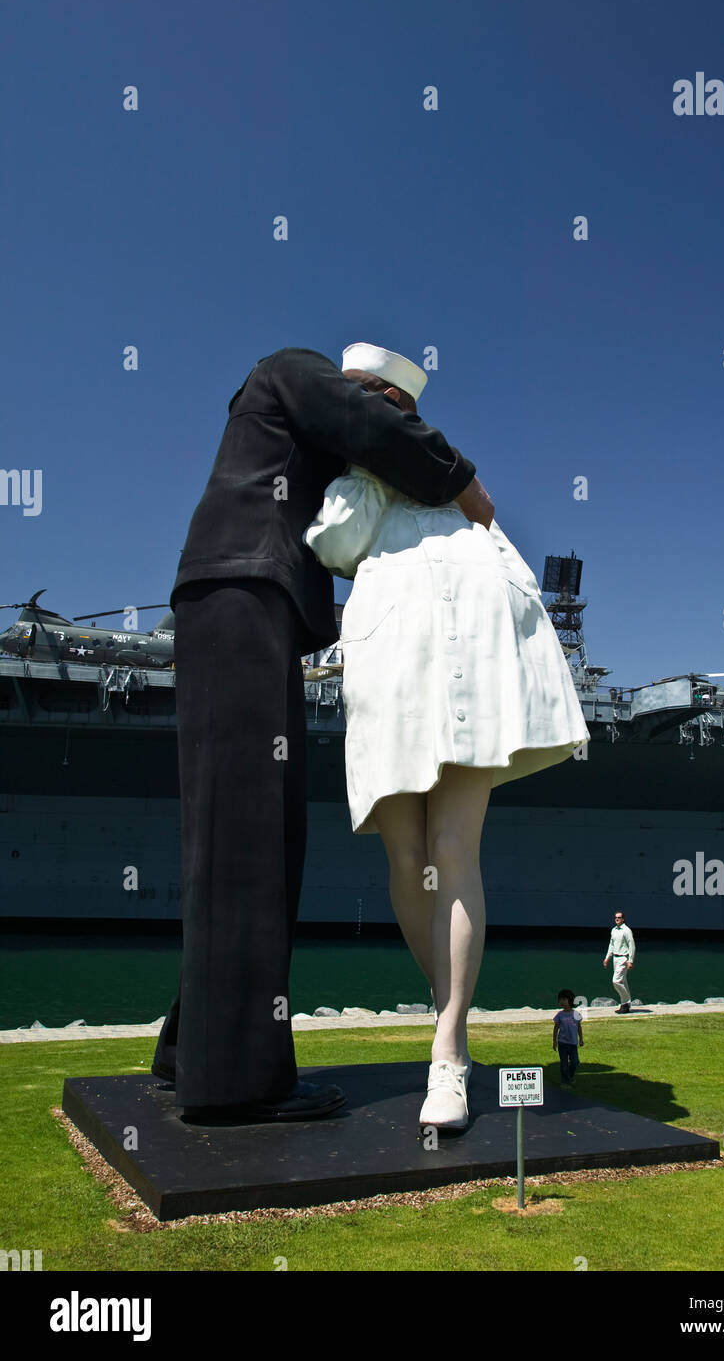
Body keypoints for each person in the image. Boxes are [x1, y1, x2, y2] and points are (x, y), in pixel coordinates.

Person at [151, 345, 489, 1124]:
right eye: (396, 411)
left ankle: (189, 1052)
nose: (391, 426)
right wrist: (462, 481)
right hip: (247, 594)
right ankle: (238, 1083)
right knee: (253, 842)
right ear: (371, 391)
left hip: (235, 599)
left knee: (232, 836)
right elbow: (372, 431)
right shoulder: (297, 370)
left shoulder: (277, 414)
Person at [304, 343, 591, 1131]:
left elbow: (493, 534)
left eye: (365, 396)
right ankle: (449, 1020)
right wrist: (364, 472)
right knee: (406, 857)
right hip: (395, 660)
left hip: (471, 652)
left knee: (452, 851)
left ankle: (448, 1049)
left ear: (392, 402)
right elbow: (332, 546)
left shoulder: (448, 475)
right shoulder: (362, 483)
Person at [603, 911, 636, 1013]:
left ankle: (626, 1002)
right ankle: (624, 1005)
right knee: (623, 982)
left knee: (616, 981)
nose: (617, 919)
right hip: (615, 958)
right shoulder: (614, 930)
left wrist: (630, 960)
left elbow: (632, 945)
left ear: (623, 919)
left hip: (623, 958)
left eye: (619, 917)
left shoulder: (626, 930)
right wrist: (607, 958)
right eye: (616, 917)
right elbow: (611, 945)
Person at [552, 988, 584, 1084]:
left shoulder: (576, 1014)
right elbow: (556, 1028)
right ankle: (565, 1081)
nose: (561, 1002)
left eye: (564, 999)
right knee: (564, 1064)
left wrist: (581, 1039)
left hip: (573, 1043)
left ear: (570, 1000)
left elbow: (579, 1027)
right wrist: (554, 1041)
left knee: (575, 1062)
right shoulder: (560, 1015)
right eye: (560, 999)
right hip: (563, 1043)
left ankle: (569, 1076)